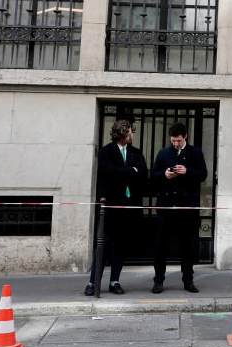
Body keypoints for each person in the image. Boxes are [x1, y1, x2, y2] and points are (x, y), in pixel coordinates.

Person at [85, 119, 147, 296]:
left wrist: (125, 172)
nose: (132, 136)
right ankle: (92, 282)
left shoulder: (136, 152)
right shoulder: (106, 151)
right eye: (130, 133)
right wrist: (130, 171)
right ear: (122, 134)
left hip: (128, 207)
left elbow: (143, 173)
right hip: (110, 207)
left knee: (121, 246)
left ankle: (115, 281)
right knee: (102, 246)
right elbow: (107, 172)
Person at [150, 122, 208, 294]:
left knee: (187, 246)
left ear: (185, 137)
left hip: (187, 207)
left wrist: (187, 171)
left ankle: (188, 280)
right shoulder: (163, 153)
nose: (175, 144)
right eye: (173, 140)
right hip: (166, 207)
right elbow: (153, 176)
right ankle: (158, 280)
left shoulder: (195, 153)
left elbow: (203, 174)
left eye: (178, 140)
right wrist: (165, 175)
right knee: (161, 246)